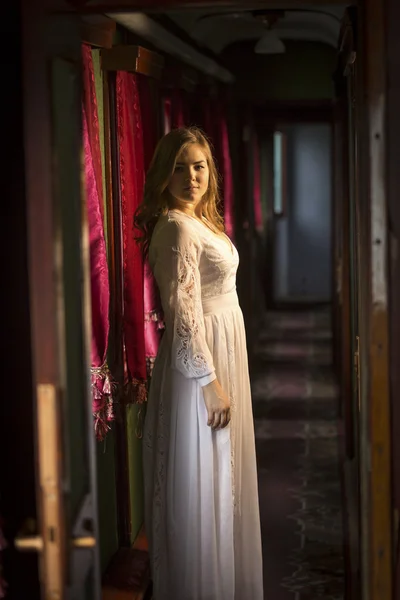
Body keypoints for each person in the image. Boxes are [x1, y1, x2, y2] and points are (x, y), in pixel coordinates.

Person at [135, 127, 263, 600]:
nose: (191, 177)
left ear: (211, 171)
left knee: (227, 472)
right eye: (180, 167)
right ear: (164, 175)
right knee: (205, 477)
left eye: (199, 166)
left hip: (226, 349)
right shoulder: (174, 227)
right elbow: (183, 314)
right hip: (201, 366)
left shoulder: (203, 221)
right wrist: (209, 383)